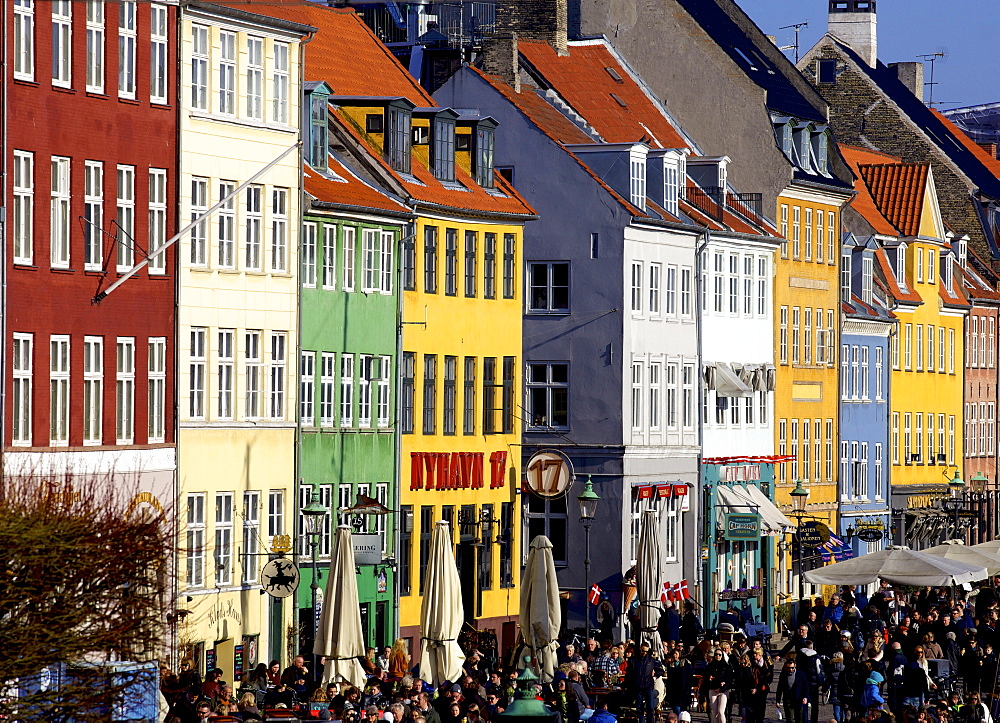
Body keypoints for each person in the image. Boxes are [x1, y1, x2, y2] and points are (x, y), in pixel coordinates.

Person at [629, 642, 664, 723]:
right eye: (643, 651)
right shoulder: (634, 660)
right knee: (639, 708)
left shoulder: (651, 660)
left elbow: (660, 670)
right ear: (640, 649)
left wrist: (655, 675)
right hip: (638, 686)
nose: (644, 653)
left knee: (650, 708)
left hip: (648, 686)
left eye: (646, 651)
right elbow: (630, 673)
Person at [704, 647, 733, 723]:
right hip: (713, 689)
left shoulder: (726, 666)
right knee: (714, 712)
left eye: (719, 655)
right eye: (716, 654)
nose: (718, 656)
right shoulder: (710, 666)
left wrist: (723, 686)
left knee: (721, 712)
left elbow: (730, 679)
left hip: (723, 690)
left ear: (722, 656)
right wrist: (709, 679)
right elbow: (705, 677)